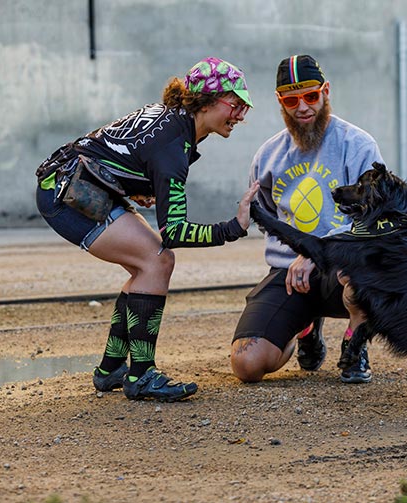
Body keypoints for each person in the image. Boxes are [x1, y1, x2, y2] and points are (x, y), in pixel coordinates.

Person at [35, 57, 260, 401]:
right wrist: (234, 227)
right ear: (209, 101)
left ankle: (111, 369)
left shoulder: (172, 121)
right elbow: (176, 232)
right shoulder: (173, 146)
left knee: (147, 265)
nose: (241, 114)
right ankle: (141, 375)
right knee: (157, 261)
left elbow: (117, 149)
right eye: (236, 104)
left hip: (71, 182)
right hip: (68, 194)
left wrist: (134, 182)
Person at [231, 54, 383, 384]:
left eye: (311, 96)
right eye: (291, 99)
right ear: (280, 101)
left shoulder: (357, 145)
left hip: (344, 267)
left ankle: (355, 348)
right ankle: (305, 327)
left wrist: (317, 251)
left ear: (325, 91)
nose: (302, 107)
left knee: (367, 273)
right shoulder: (268, 154)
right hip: (290, 273)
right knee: (247, 364)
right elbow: (266, 215)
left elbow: (373, 217)